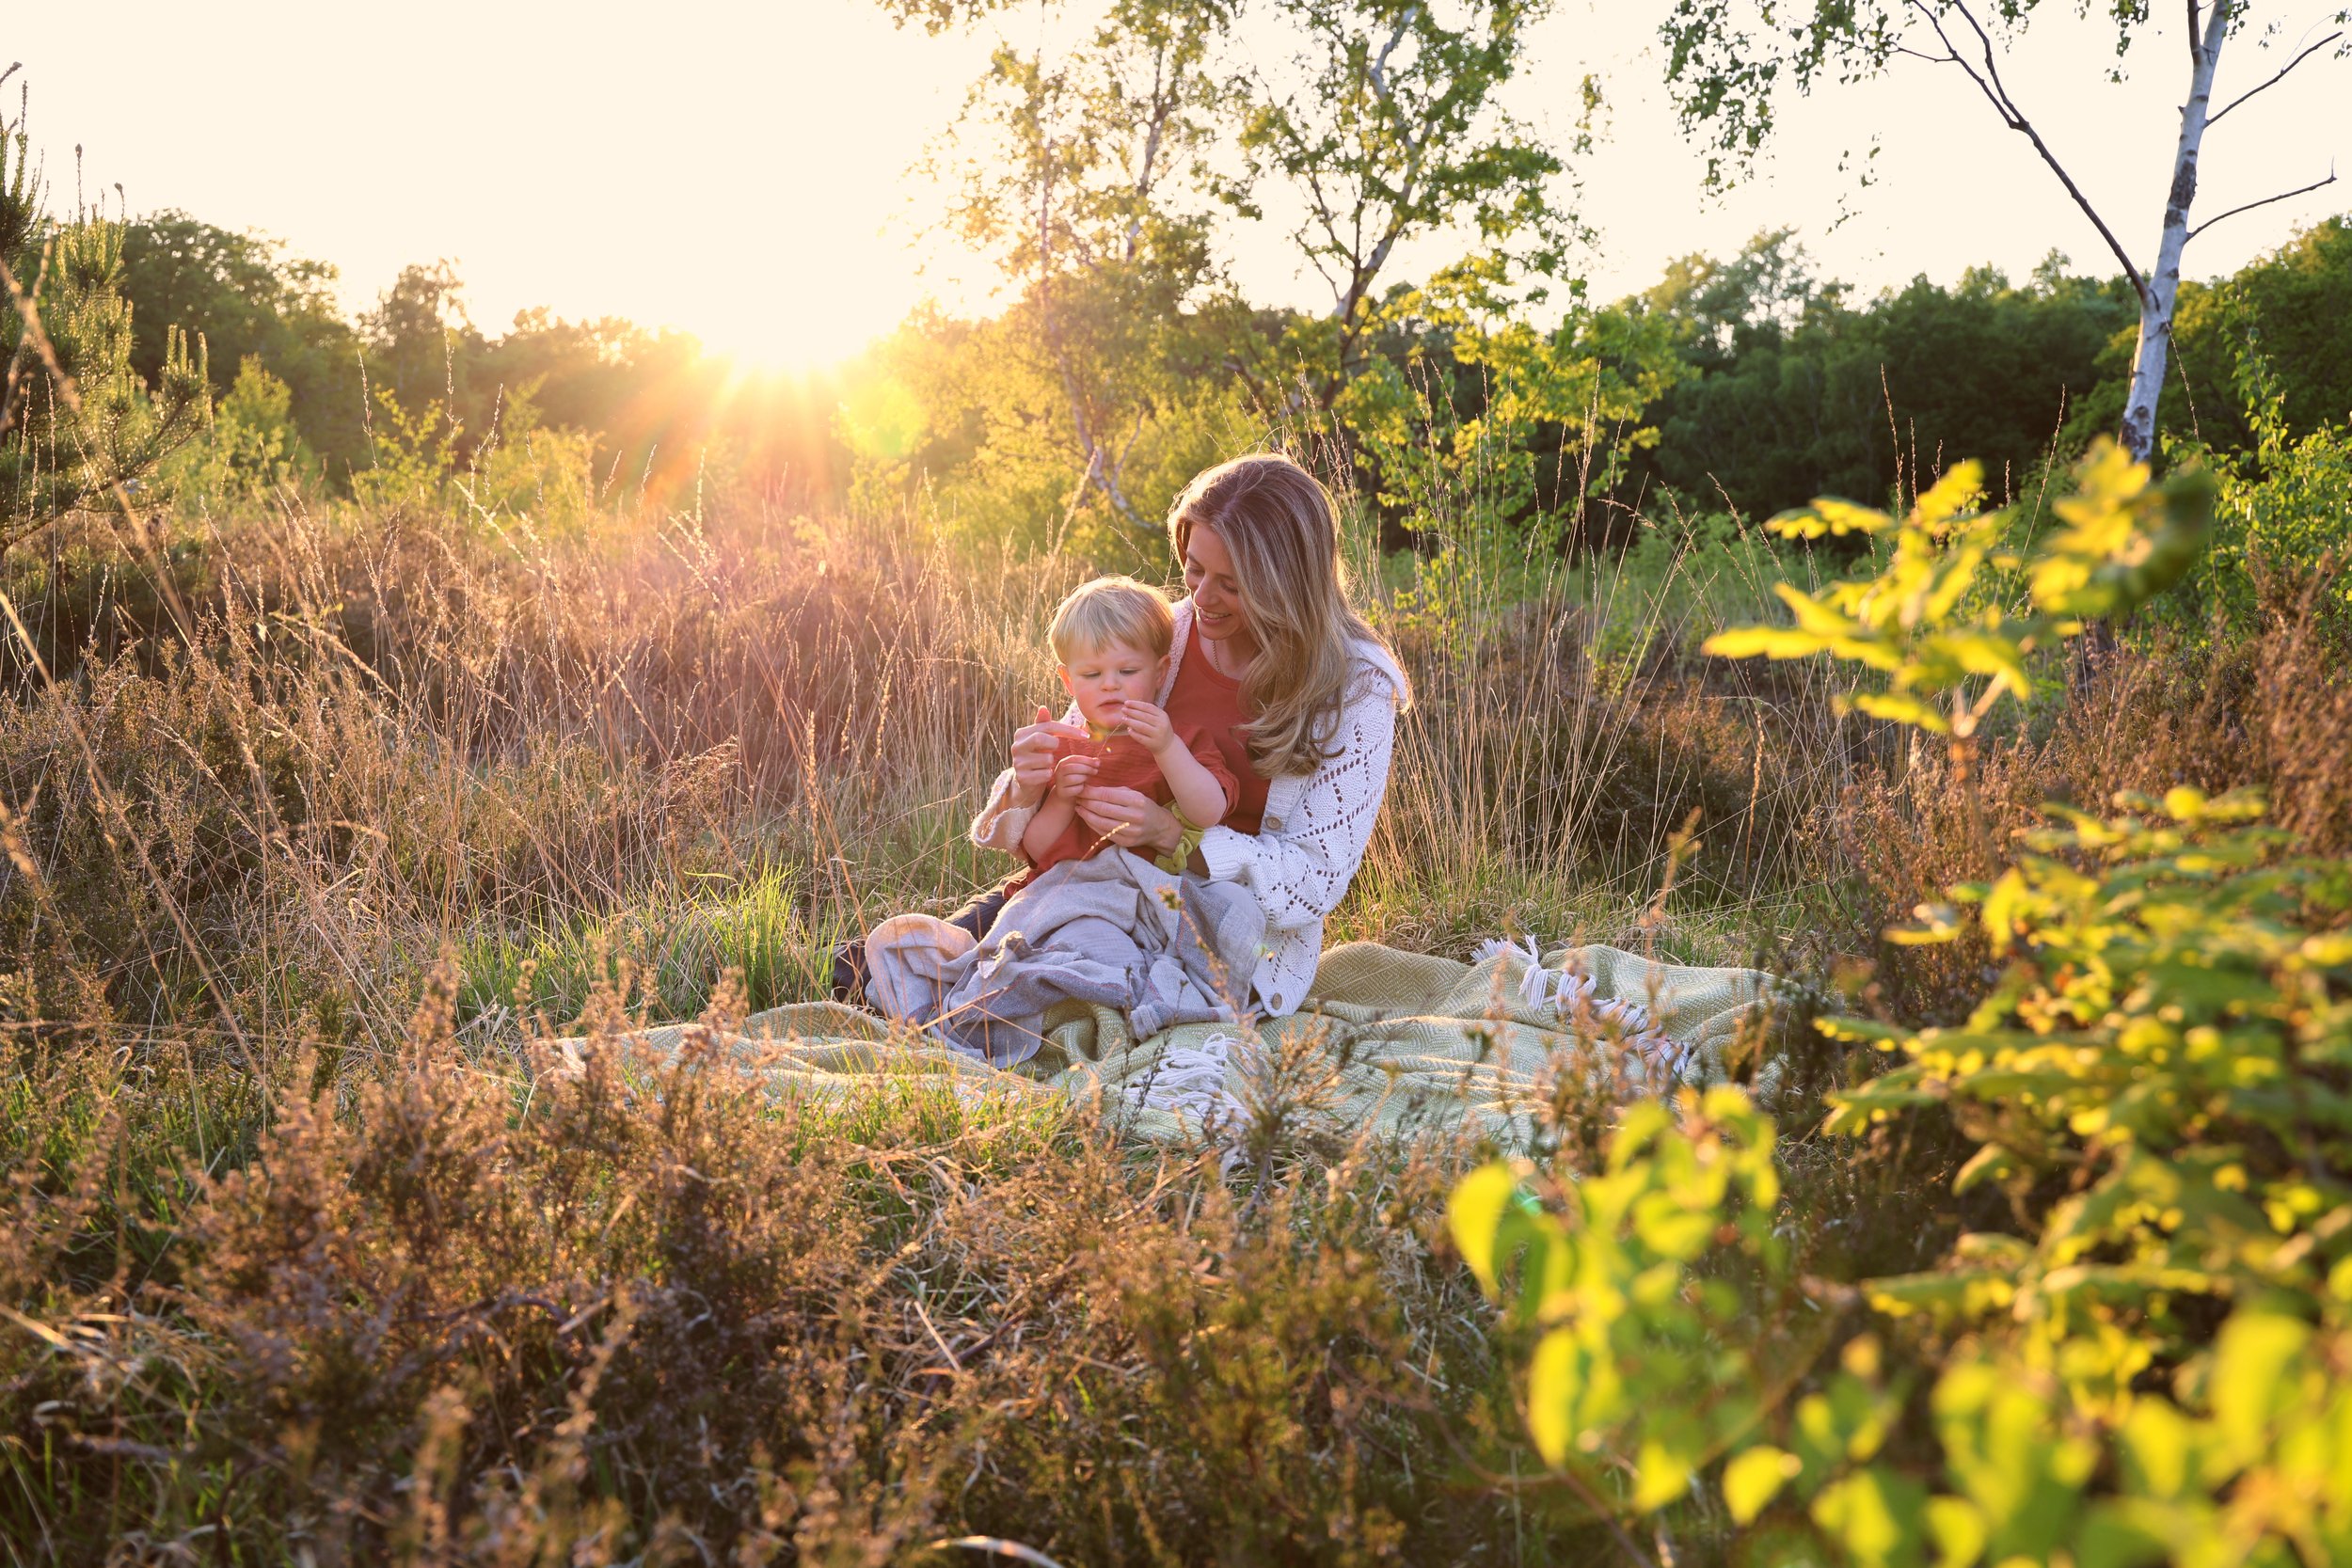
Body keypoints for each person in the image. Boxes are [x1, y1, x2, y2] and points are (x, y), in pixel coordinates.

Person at [835, 451, 1408, 1022]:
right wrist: (1032, 781)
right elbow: (1084, 763)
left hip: (1222, 923)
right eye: (1194, 568)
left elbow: (1316, 879)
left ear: (1285, 585)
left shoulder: (1354, 685)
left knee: (1040, 988)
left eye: (1230, 585)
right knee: (876, 970)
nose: (1201, 598)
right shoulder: (1165, 634)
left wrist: (1172, 836)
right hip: (1101, 880)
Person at [1015, 576, 1234, 887]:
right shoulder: (1063, 749)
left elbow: (1208, 813)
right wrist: (1061, 799)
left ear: (1159, 673)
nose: (1109, 684)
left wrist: (1167, 748)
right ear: (1068, 681)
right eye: (1091, 674)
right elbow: (1037, 851)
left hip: (1151, 890)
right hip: (1072, 888)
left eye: (1127, 671)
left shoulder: (1180, 740)